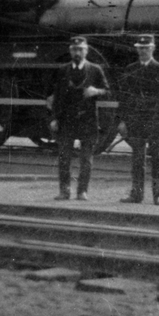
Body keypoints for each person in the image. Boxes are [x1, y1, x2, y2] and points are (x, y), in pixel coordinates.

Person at [49, 36, 110, 201]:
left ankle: (82, 191)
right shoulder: (63, 70)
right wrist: (54, 118)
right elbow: (57, 96)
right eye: (74, 49)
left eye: (81, 49)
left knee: (86, 160)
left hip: (87, 120)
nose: (78, 52)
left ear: (86, 51)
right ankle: (64, 191)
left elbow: (107, 91)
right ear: (70, 51)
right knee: (64, 158)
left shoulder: (95, 70)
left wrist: (96, 91)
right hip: (66, 119)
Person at [117, 34, 159, 205]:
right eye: (140, 48)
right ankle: (136, 194)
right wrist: (122, 120)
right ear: (137, 49)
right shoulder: (130, 69)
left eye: (146, 48)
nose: (143, 51)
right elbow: (124, 97)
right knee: (137, 159)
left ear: (153, 49)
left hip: (155, 121)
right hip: (136, 120)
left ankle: (158, 195)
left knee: (158, 159)